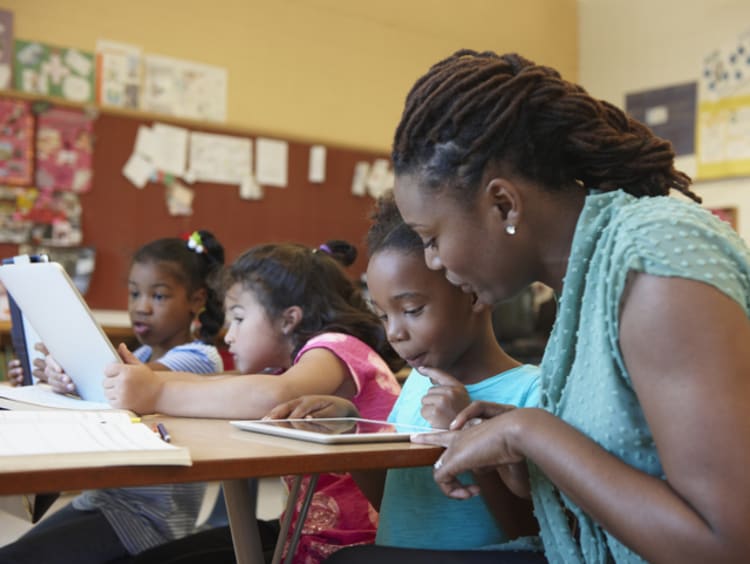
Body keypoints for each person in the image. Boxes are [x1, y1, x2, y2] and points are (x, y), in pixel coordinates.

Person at [328, 49, 750, 563]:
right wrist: (509, 438)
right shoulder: (584, 284)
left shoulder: (653, 256)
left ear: (503, 204)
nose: (434, 262)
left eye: (432, 237)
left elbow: (726, 544)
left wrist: (527, 431)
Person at [269, 191, 541, 556]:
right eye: (383, 315)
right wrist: (348, 435)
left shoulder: (531, 392)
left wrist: (466, 435)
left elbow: (531, 532)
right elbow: (394, 507)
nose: (393, 332)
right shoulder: (417, 383)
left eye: (411, 309)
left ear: (475, 295)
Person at [106, 240, 403, 564]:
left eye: (239, 318)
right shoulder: (287, 368)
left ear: (289, 319)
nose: (229, 335)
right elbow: (224, 384)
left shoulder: (335, 347)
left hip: (351, 548)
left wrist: (157, 393)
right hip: (301, 534)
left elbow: (274, 394)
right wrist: (151, 382)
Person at [0, 230, 227, 564]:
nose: (141, 307)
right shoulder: (144, 353)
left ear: (196, 300)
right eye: (134, 293)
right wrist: (50, 380)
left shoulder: (200, 358)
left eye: (159, 296)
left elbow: (133, 385)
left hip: (146, 522)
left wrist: (66, 369)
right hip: (102, 503)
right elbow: (101, 396)